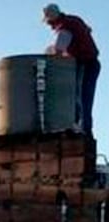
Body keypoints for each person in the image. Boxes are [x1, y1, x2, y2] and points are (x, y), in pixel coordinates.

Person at [44, 4, 100, 137]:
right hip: (92, 63)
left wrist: (50, 55)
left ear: (52, 19)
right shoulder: (74, 20)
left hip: (85, 64)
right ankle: (85, 128)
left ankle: (81, 128)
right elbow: (88, 30)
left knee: (79, 97)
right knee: (85, 98)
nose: (50, 26)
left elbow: (58, 52)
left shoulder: (64, 28)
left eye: (49, 22)